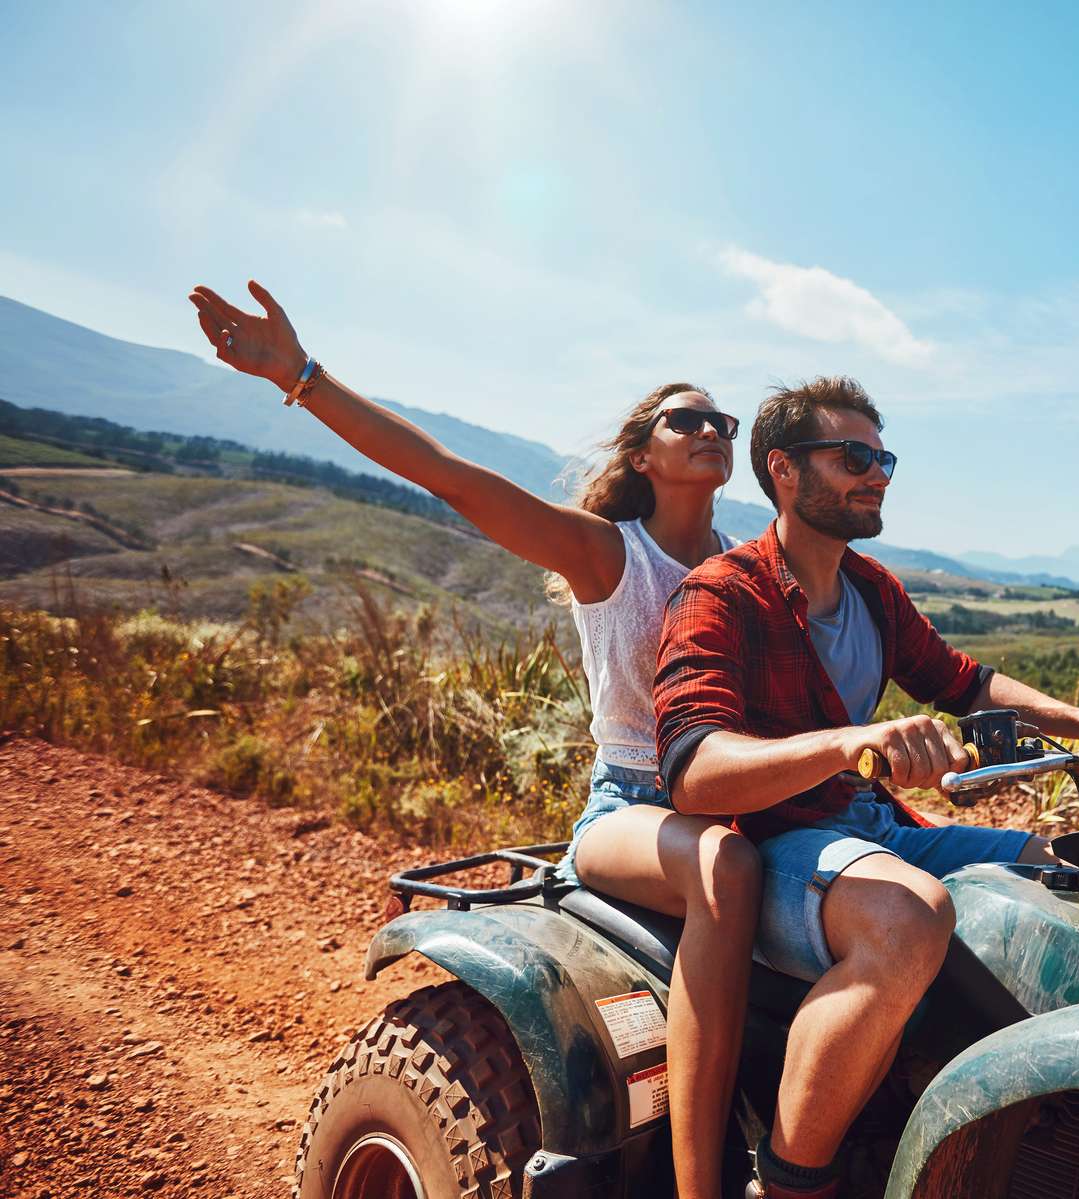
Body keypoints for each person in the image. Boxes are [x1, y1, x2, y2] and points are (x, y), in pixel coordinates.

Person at [188, 281, 757, 1199]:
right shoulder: (606, 552)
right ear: (644, 455)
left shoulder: (742, 566)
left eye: (722, 420)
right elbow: (450, 476)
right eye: (685, 418)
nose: (711, 429)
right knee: (727, 868)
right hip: (634, 807)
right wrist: (300, 376)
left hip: (730, 795)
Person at [652, 377, 1079, 1199]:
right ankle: (789, 1183)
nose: (877, 473)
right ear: (782, 468)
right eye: (854, 456)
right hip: (773, 838)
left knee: (1054, 879)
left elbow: (969, 683)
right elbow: (695, 771)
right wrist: (852, 742)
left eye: (883, 457)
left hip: (869, 827)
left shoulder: (873, 592)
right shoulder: (720, 592)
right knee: (907, 915)